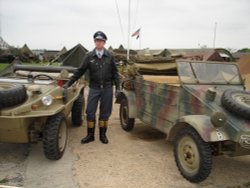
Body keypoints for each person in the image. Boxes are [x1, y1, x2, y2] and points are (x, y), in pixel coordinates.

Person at [64, 31, 120, 144]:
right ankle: (90, 135)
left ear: (104, 42)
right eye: (97, 41)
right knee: (90, 112)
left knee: (105, 113)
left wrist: (118, 88)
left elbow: (115, 73)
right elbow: (80, 71)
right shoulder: (89, 56)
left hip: (107, 88)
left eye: (101, 41)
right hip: (94, 88)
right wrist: (68, 83)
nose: (98, 43)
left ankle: (103, 135)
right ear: (94, 42)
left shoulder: (109, 56)